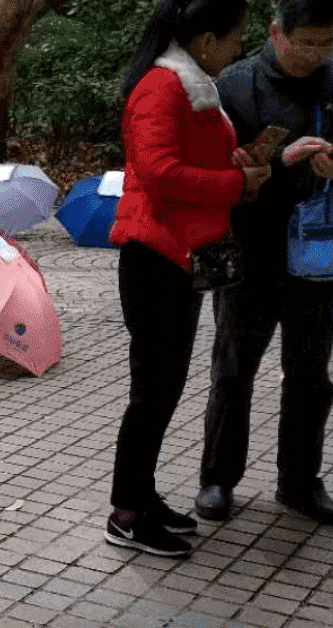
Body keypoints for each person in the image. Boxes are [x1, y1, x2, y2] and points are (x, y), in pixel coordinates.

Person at [104, 0, 270, 558]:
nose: (238, 48)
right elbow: (157, 172)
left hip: (179, 253)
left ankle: (143, 498)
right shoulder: (163, 86)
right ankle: (125, 515)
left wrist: (242, 160)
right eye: (234, 38)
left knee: (165, 386)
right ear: (203, 40)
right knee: (152, 393)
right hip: (154, 255)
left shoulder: (193, 84)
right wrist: (234, 184)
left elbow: (194, 155)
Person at [195, 0, 333, 525]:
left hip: (319, 259)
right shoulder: (233, 85)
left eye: (328, 45)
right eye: (308, 44)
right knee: (233, 369)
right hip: (252, 252)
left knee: (311, 376)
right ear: (277, 33)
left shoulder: (332, 79)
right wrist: (281, 161)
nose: (317, 55)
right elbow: (216, 171)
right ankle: (216, 479)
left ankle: (299, 481)